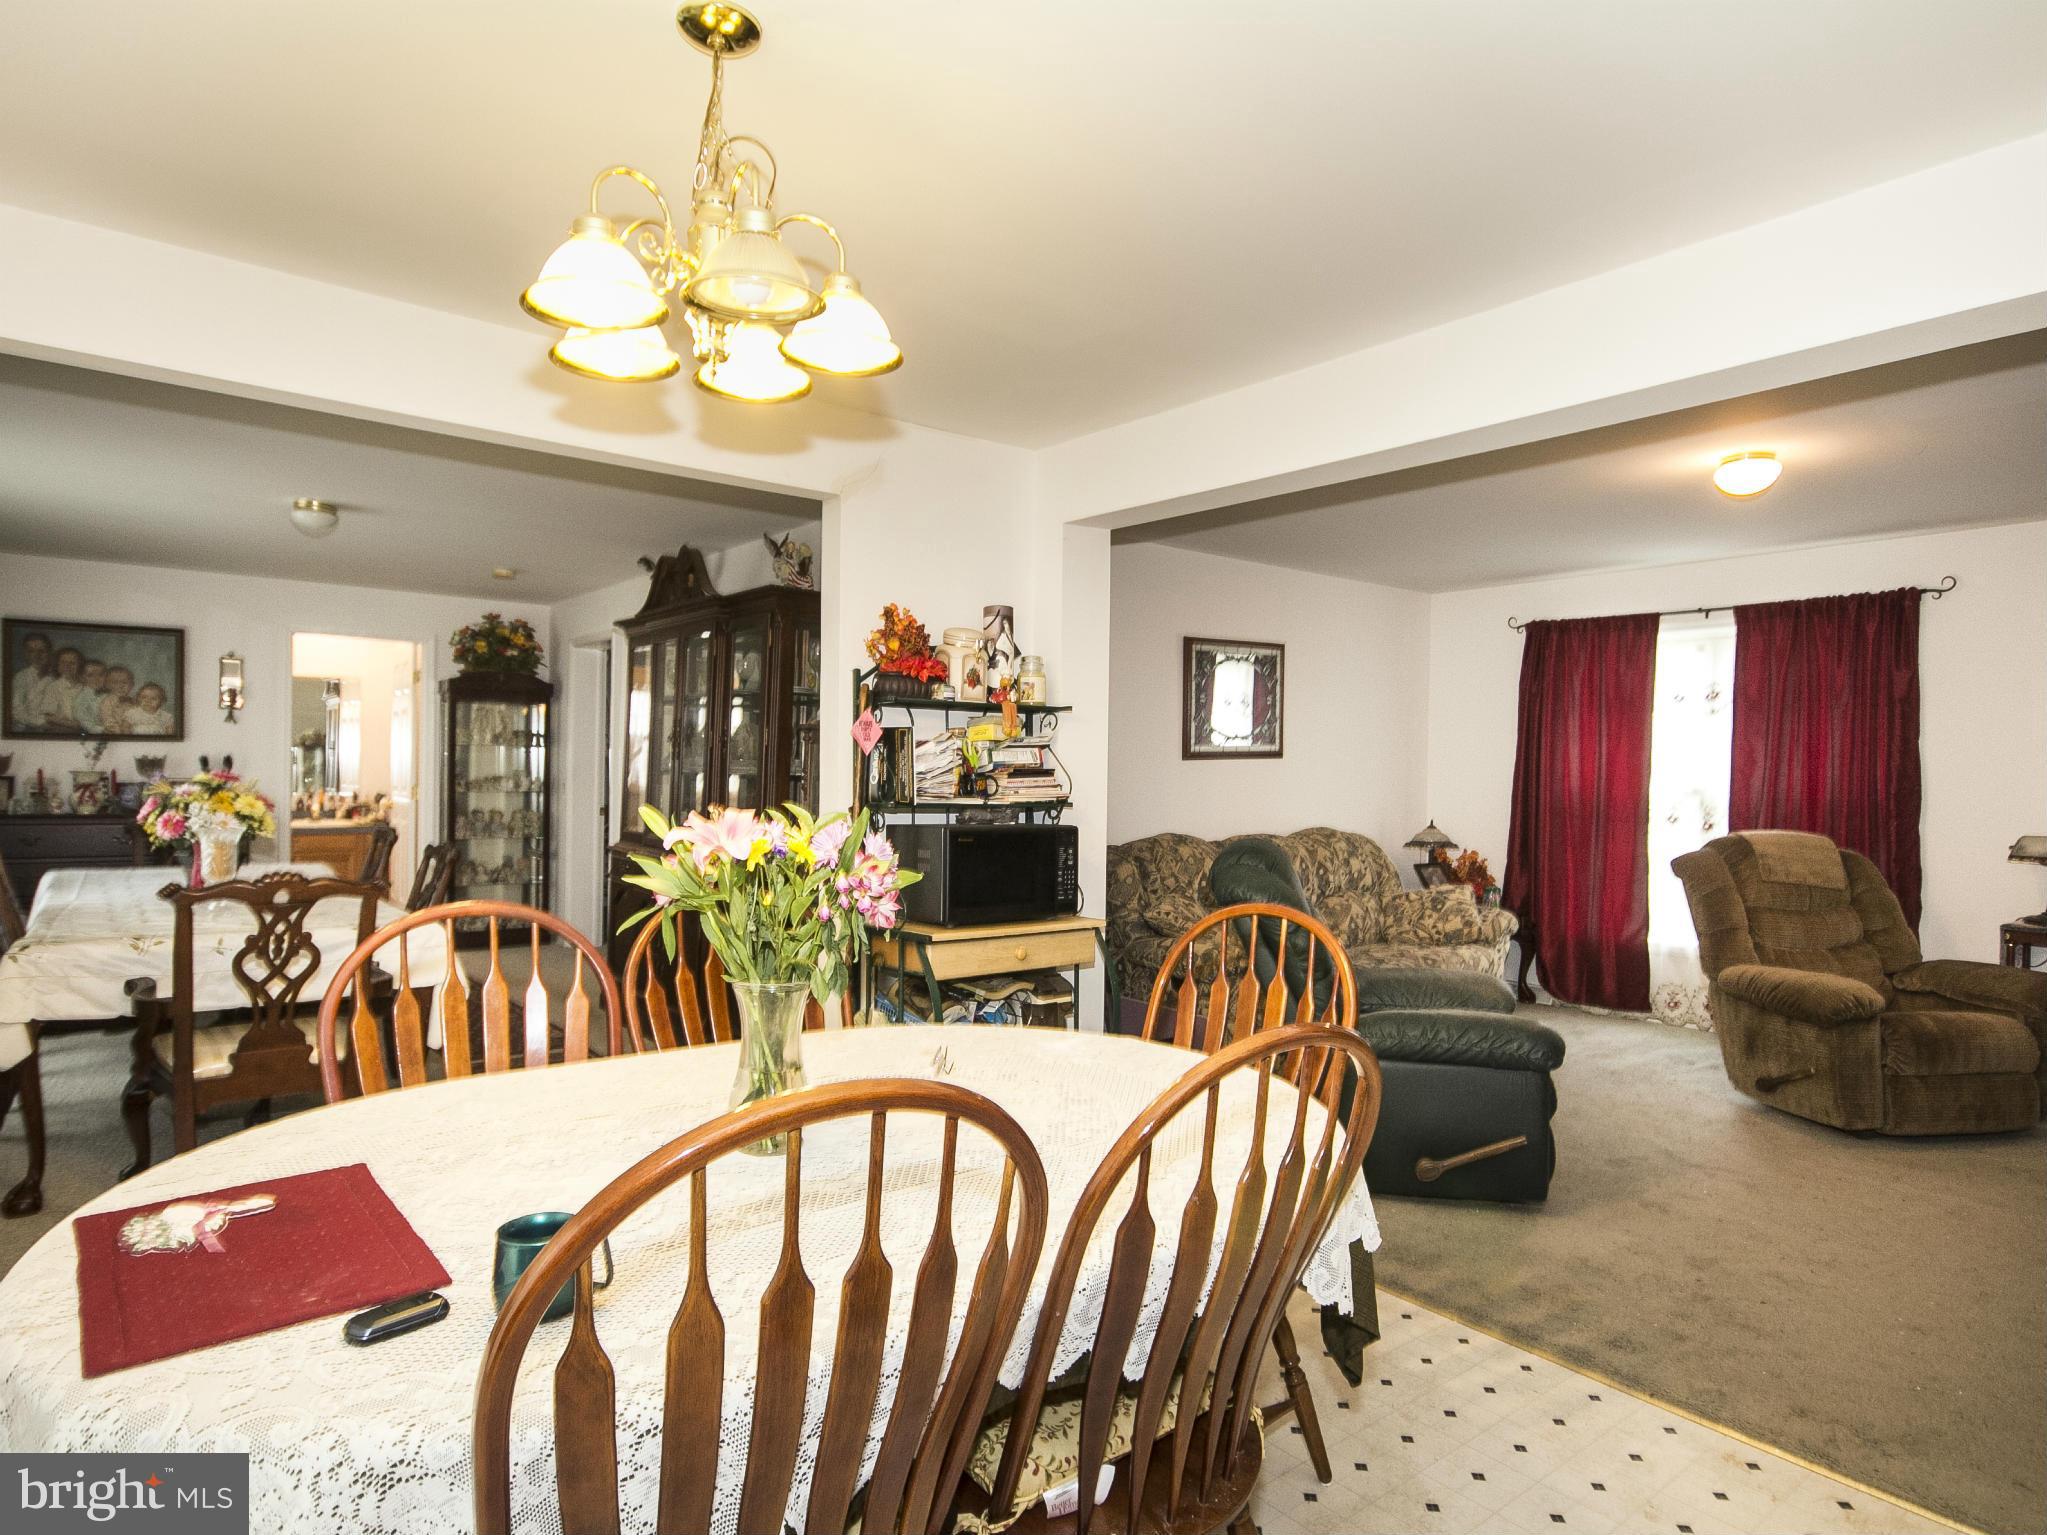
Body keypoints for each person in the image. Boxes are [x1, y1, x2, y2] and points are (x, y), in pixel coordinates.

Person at [10, 631, 53, 728]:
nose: (36, 655)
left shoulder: (56, 676)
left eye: (41, 651)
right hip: (25, 728)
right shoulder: (20, 677)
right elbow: (16, 710)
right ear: (25, 654)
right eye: (31, 651)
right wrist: (41, 722)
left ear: (50, 652)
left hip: (56, 728)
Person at [71, 658, 110, 732]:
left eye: (101, 675)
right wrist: (100, 729)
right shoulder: (82, 697)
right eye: (90, 675)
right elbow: (82, 719)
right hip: (95, 732)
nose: (96, 678)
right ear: (82, 678)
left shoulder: (107, 695)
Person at [98, 665, 137, 734]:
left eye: (124, 682)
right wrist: (117, 729)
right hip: (115, 730)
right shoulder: (108, 701)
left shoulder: (133, 700)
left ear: (131, 685)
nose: (120, 686)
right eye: (115, 683)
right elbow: (107, 717)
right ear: (107, 685)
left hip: (131, 729)